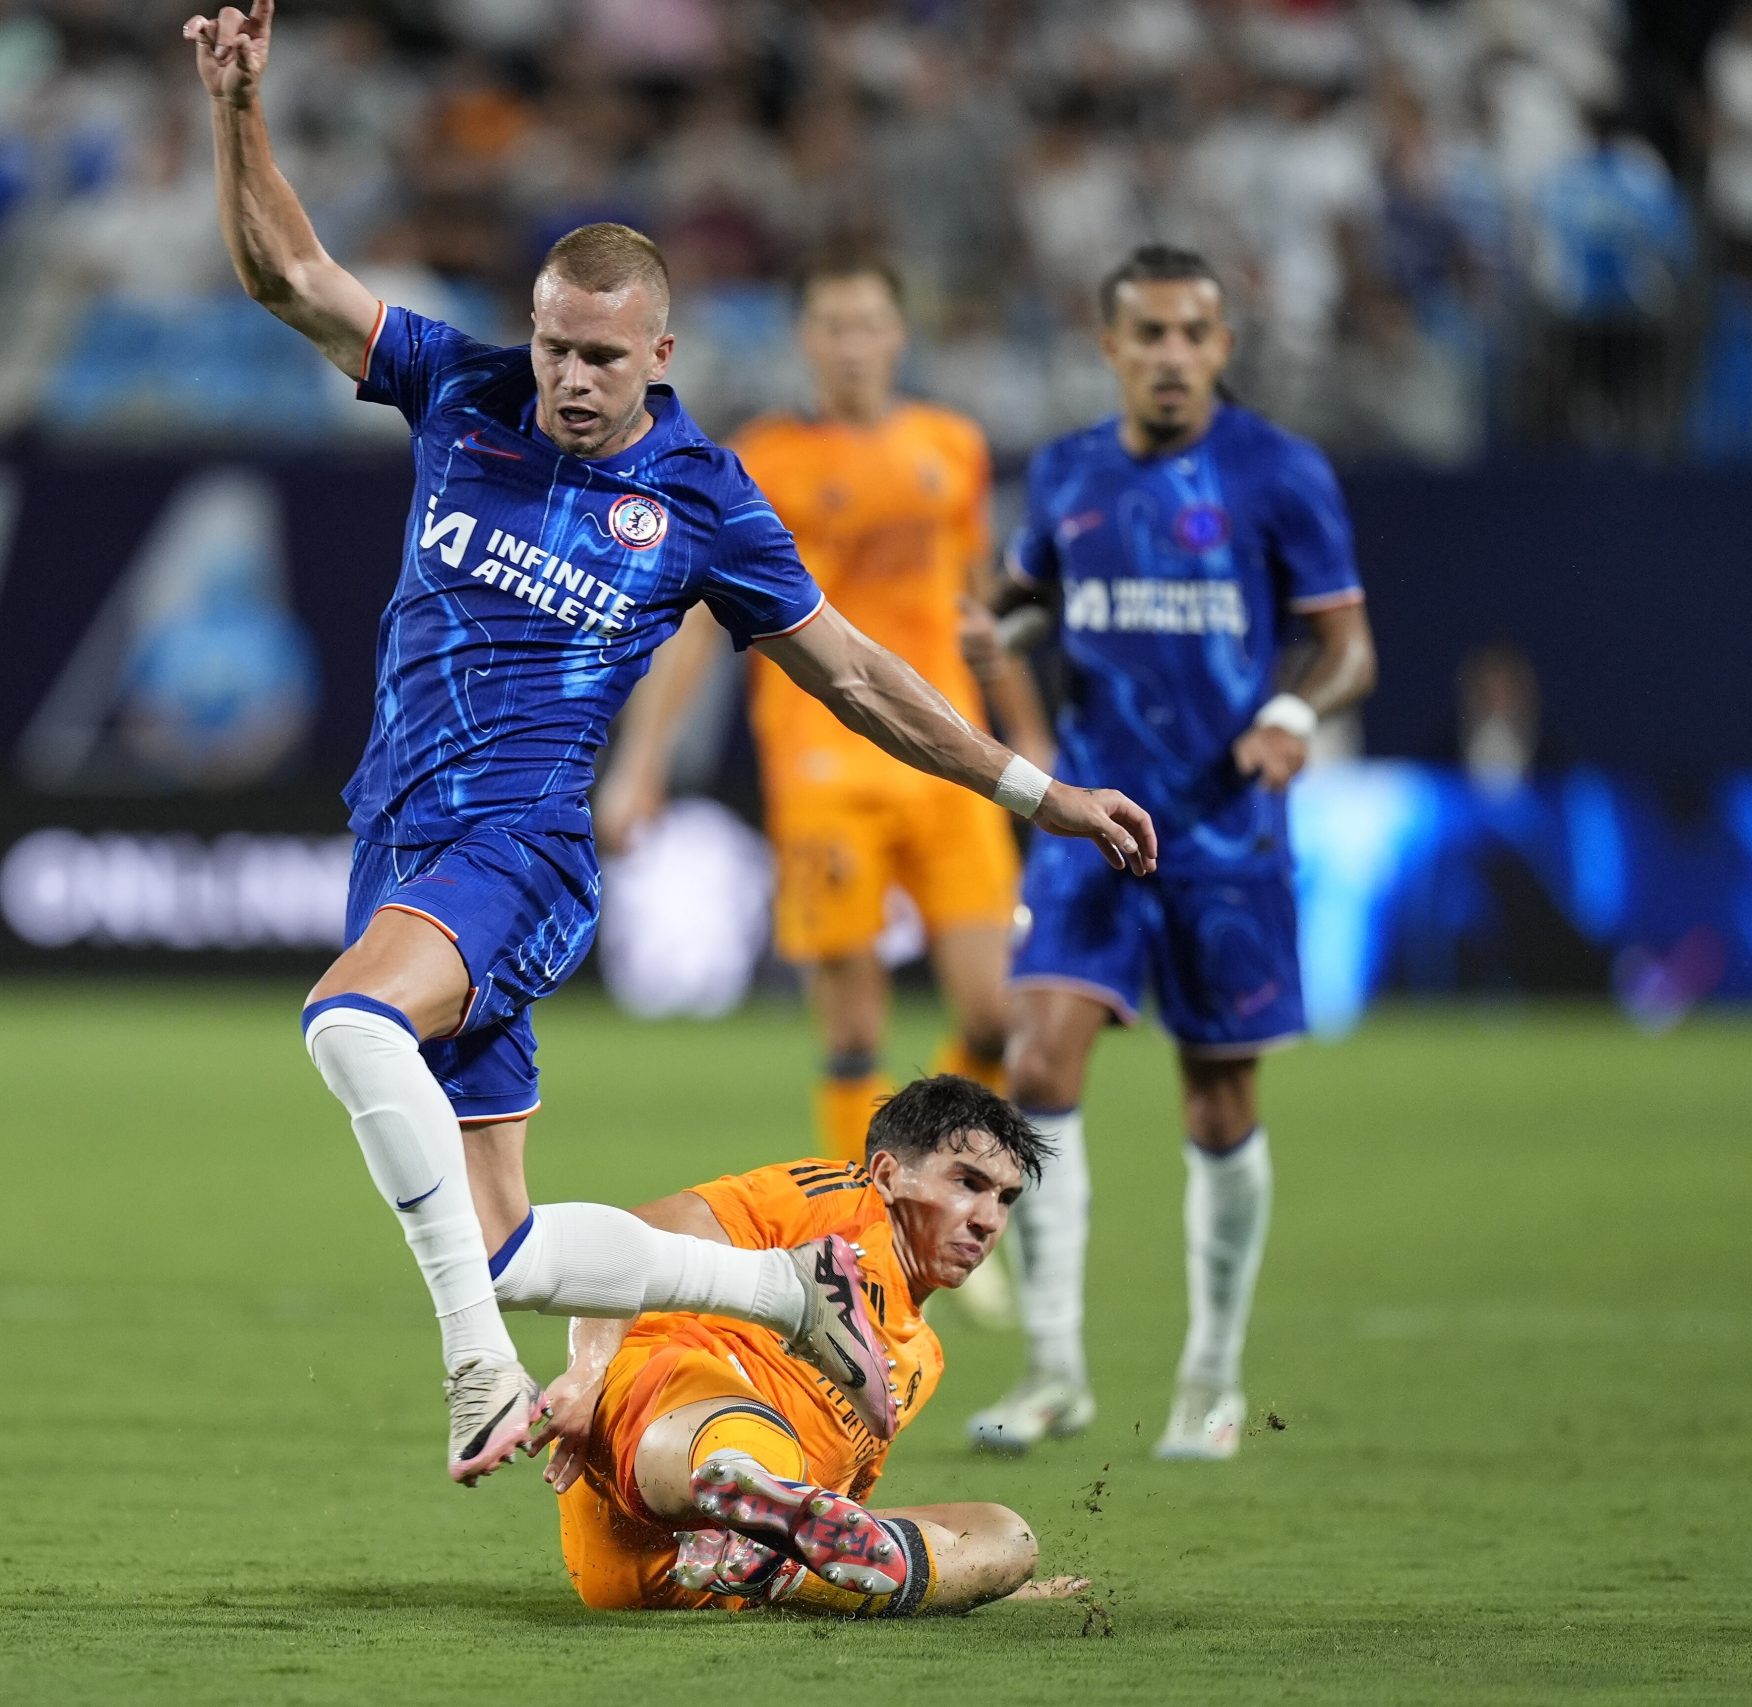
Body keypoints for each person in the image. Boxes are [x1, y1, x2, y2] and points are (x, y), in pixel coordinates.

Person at [183, 5, 1159, 1486]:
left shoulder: (704, 496)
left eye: (599, 356)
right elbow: (284, 275)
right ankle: (789, 1289)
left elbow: (857, 674)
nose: (568, 378)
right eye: (553, 346)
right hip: (397, 834)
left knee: (349, 1023)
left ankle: (470, 1379)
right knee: (506, 1241)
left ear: (661, 351)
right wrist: (240, 105)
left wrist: (1037, 790)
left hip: (515, 845)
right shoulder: (463, 387)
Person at [966, 245, 1376, 1461]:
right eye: (1146, 334)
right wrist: (1002, 650)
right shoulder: (1069, 474)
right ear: (1109, 346)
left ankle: (1209, 1373)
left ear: (1222, 347)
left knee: (1219, 1095)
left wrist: (1293, 715)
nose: (1170, 356)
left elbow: (1348, 647)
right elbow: (1022, 605)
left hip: (1226, 832)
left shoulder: (1278, 473)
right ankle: (1051, 1370)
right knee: (1036, 1062)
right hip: (1096, 825)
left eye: (1193, 333)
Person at [597, 252, 1051, 1168]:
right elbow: (695, 620)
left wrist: (1027, 729)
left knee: (996, 1013)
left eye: (868, 324)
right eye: (833, 326)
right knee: (853, 1020)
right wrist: (642, 762)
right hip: (822, 756)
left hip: (947, 747)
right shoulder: (763, 459)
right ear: (806, 339)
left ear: (899, 334)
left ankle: (937, 1178)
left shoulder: (950, 446)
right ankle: (865, 1226)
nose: (851, 346)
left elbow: (977, 608)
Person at [535, 1076, 1090, 1615]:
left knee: (1004, 1536)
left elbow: (839, 1518)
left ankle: (771, 1559)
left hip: (712, 1582)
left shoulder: (922, 1358)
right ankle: (746, 1495)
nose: (989, 1221)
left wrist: (971, 1581)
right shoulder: (828, 1203)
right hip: (646, 1461)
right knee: (738, 1431)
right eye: (967, 1184)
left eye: (1006, 1198)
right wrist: (587, 1372)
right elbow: (617, 1245)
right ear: (889, 1174)